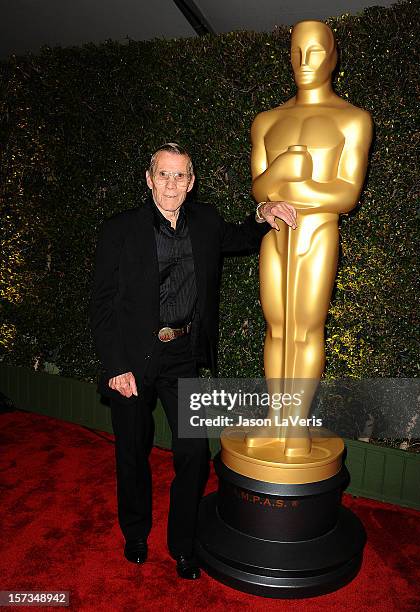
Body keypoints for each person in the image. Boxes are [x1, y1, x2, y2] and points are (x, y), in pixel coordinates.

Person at [90, 142, 296, 579]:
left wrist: (264, 211)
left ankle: (182, 545)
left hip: (183, 355)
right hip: (132, 357)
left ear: (191, 182)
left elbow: (240, 236)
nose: (171, 183)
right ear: (149, 179)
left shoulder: (204, 221)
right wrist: (114, 366)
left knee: (194, 454)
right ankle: (136, 534)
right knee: (132, 451)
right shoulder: (119, 230)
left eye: (180, 175)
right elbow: (103, 305)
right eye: (163, 174)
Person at [244, 20, 373, 455]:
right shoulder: (268, 120)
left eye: (315, 51)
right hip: (275, 235)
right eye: (297, 51)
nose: (304, 61)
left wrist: (295, 182)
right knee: (278, 328)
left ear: (332, 56)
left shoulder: (352, 120)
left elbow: (347, 194)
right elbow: (260, 188)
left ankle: (295, 423)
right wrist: (282, 171)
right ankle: (275, 417)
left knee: (306, 328)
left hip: (318, 233)